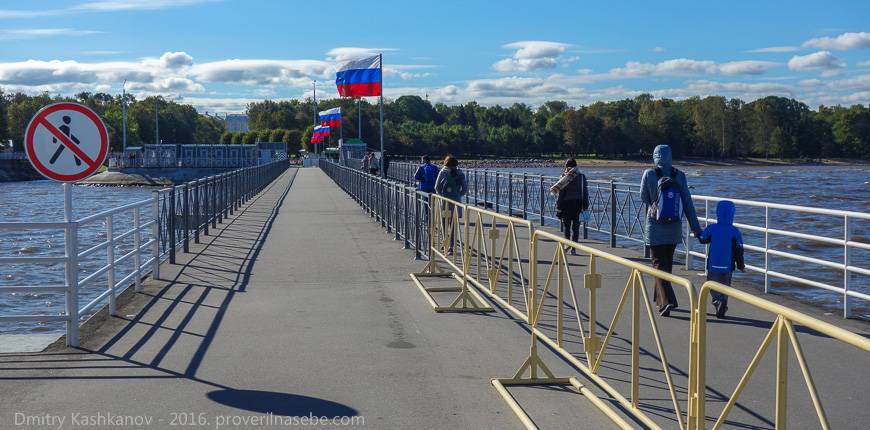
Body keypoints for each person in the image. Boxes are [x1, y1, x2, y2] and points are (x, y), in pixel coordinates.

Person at [640, 144, 701, 317]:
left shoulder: (649, 174)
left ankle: (666, 301)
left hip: (654, 227)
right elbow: (687, 203)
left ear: (655, 156)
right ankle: (661, 299)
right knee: (666, 263)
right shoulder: (679, 175)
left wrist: (655, 201)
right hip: (674, 228)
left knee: (658, 265)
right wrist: (695, 227)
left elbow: (643, 197)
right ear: (670, 156)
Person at [697, 200, 745, 319]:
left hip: (713, 265)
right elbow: (739, 250)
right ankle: (722, 305)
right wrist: (741, 265)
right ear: (732, 214)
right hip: (727, 266)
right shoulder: (735, 231)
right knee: (725, 287)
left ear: (717, 213)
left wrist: (697, 231)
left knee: (712, 286)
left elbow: (703, 239)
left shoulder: (712, 228)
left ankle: (717, 302)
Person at [549, 158, 589, 255]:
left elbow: (561, 193)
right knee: (576, 226)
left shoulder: (564, 177)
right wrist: (586, 204)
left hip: (566, 203)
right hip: (578, 203)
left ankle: (567, 244)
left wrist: (558, 206)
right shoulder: (582, 176)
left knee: (567, 226)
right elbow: (585, 191)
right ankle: (574, 249)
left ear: (566, 166)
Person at [434, 155, 467, 254]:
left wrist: (442, 196)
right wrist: (458, 195)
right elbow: (464, 189)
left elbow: (436, 187)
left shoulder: (443, 172)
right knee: (453, 224)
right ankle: (451, 247)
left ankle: (445, 244)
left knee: (444, 223)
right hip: (456, 202)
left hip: (445, 202)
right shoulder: (460, 173)